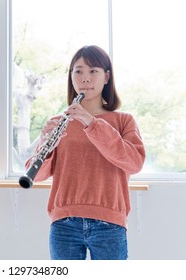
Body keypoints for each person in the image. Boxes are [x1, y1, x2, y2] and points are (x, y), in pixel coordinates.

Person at [25, 45, 145, 260]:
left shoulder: (123, 121)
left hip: (109, 224)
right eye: (78, 71)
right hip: (64, 223)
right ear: (71, 77)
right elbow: (38, 175)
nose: (85, 78)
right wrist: (46, 144)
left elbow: (133, 163)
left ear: (106, 76)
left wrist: (91, 122)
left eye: (93, 71)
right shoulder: (59, 122)